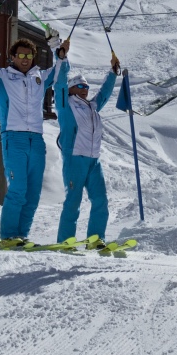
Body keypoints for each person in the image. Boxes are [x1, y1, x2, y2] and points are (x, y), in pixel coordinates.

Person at [0, 14, 68, 249]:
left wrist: (57, 48)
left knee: (33, 193)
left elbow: (61, 74)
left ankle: (21, 236)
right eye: (20, 55)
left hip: (36, 140)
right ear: (12, 57)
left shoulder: (39, 77)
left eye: (29, 55)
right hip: (13, 138)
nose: (25, 59)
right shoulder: (2, 76)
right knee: (18, 189)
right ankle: (7, 237)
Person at [55, 51, 120, 247]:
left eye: (86, 87)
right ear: (71, 89)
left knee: (100, 201)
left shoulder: (92, 107)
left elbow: (104, 94)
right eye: (80, 86)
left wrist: (113, 73)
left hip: (93, 160)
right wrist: (62, 59)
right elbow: (58, 85)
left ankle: (96, 238)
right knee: (73, 202)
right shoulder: (66, 106)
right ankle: (65, 241)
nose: (84, 89)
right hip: (75, 159)